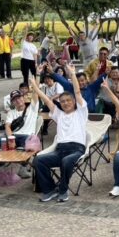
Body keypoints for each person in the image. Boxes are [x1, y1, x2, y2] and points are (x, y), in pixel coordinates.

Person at [31, 63, 87, 203]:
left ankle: (63, 190)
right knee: (38, 160)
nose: (66, 103)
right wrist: (35, 84)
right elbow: (45, 99)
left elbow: (77, 92)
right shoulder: (59, 114)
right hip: (60, 149)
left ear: (74, 102)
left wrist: (72, 74)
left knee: (66, 161)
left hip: (76, 149)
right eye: (62, 101)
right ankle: (50, 189)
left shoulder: (81, 112)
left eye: (68, 100)